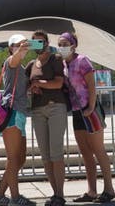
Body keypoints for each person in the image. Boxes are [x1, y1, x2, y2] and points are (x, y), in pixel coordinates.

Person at [59, 32, 115, 204]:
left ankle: (109, 189)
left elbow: (92, 86)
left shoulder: (82, 60)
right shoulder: (63, 64)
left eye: (64, 43)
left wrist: (91, 107)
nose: (61, 47)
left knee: (98, 150)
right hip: (77, 112)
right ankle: (91, 191)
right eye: (60, 44)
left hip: (90, 110)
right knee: (85, 152)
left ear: (73, 45)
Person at [0, 34, 36, 206]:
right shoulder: (11, 61)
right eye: (16, 45)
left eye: (23, 44)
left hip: (20, 114)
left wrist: (31, 87)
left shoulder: (20, 66)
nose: (21, 47)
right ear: (11, 48)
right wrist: (21, 50)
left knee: (20, 158)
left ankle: (0, 196)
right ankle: (15, 198)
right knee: (13, 158)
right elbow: (14, 59)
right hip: (12, 114)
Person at [26, 30, 69, 206]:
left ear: (46, 42)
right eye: (34, 42)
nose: (38, 45)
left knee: (56, 153)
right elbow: (27, 85)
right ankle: (54, 194)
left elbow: (59, 83)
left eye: (41, 41)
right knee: (45, 156)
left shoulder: (55, 58)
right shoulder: (30, 64)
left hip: (55, 107)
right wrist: (32, 88)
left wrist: (39, 83)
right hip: (37, 110)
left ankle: (60, 195)